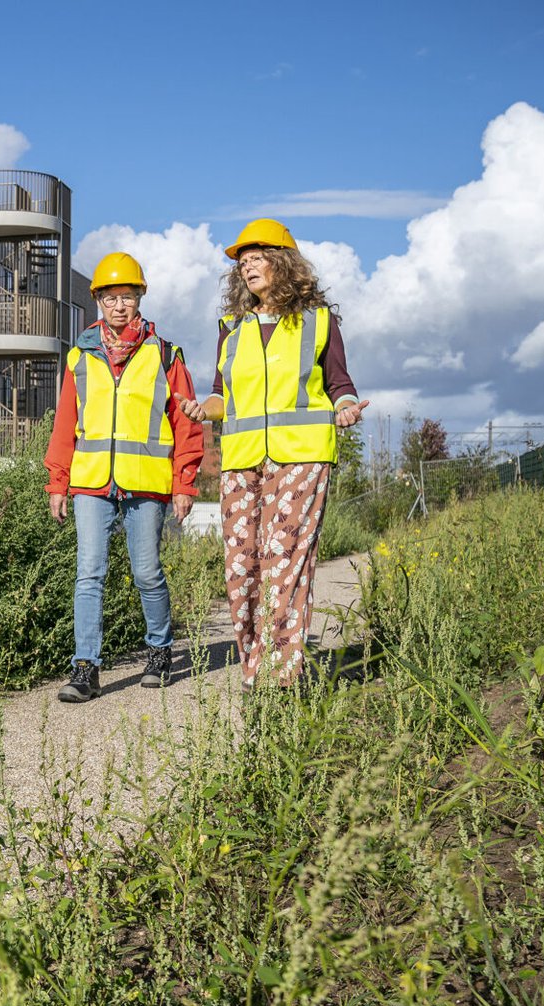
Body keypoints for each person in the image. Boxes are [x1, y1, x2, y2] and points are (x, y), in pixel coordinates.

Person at [177, 219, 369, 689]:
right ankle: (253, 665)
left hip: (301, 455)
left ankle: (281, 677)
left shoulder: (319, 321)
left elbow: (339, 384)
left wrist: (346, 408)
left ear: (283, 262)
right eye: (242, 264)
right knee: (242, 567)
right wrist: (204, 408)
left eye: (256, 259)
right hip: (242, 461)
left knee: (283, 560)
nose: (247, 269)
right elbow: (224, 396)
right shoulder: (232, 329)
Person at [44, 252, 205, 702]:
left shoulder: (165, 355)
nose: (119, 306)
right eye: (111, 297)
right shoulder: (80, 355)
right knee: (88, 574)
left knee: (147, 573)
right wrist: (58, 481)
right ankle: (85, 668)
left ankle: (159, 651)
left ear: (139, 299)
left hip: (147, 482)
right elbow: (64, 424)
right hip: (91, 481)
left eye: (127, 297)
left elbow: (186, 424)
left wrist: (184, 483)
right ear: (98, 301)